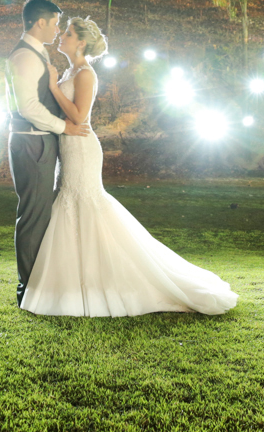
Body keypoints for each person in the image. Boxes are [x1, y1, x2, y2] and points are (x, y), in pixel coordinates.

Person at [19, 16, 239, 317]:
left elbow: (80, 117)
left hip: (82, 147)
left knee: (85, 204)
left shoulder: (84, 74)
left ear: (80, 42)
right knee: (72, 206)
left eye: (67, 33)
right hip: (68, 147)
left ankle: (108, 282)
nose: (61, 36)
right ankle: (77, 282)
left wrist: (55, 88)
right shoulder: (71, 70)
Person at [5, 0, 90, 308]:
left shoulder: (36, 54)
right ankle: (28, 290)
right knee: (33, 216)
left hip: (39, 141)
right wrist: (63, 127)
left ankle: (39, 283)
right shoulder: (25, 58)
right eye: (55, 23)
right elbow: (27, 107)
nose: (57, 29)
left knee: (40, 214)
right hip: (32, 142)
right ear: (39, 22)